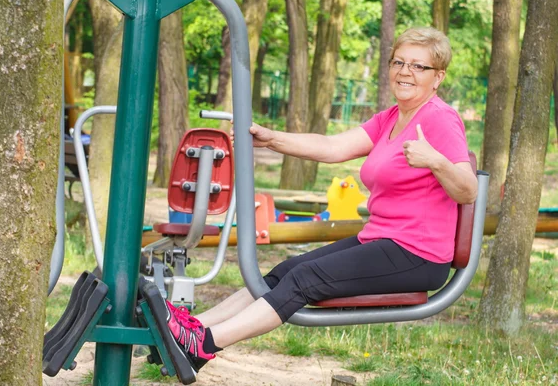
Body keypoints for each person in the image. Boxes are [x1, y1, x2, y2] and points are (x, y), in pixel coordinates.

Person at [163, 26, 478, 373]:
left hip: (417, 254)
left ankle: (203, 344)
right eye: (399, 62)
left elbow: (467, 189)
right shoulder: (391, 117)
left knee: (305, 278)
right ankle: (186, 330)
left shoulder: (440, 118)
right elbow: (332, 147)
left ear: (438, 77)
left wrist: (434, 160)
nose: (405, 72)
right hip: (381, 240)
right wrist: (272, 139)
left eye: (419, 66)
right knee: (285, 271)